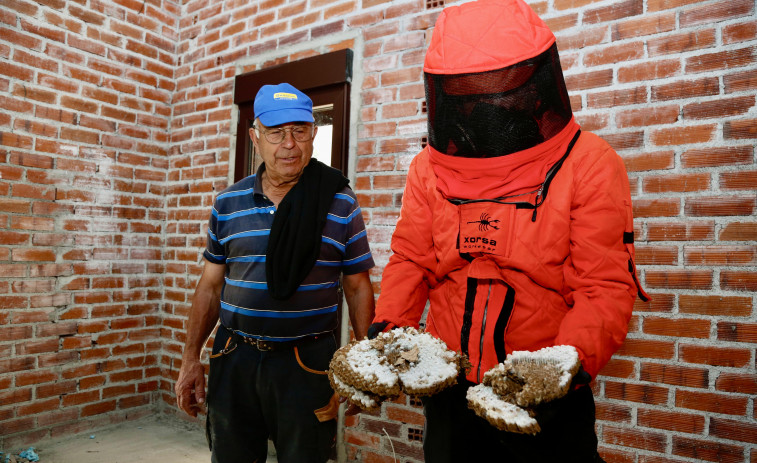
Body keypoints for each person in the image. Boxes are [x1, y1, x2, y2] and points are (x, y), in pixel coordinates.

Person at [368, 1, 649, 462]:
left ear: (535, 85)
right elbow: (411, 259)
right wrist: (389, 329)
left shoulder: (591, 164)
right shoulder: (427, 169)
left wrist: (563, 365)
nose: (487, 104)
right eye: (469, 91)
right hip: (449, 389)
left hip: (544, 394)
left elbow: (603, 285)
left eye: (500, 88)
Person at [175, 82, 375, 463]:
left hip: (308, 363)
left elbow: (357, 286)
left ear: (313, 133)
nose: (290, 144)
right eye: (276, 132)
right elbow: (210, 287)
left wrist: (365, 369)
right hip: (235, 357)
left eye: (300, 131)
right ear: (255, 137)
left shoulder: (340, 202)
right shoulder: (228, 203)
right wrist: (190, 359)